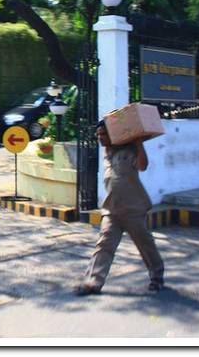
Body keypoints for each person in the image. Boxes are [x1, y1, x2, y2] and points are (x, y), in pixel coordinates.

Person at [76, 119, 164, 296]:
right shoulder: (107, 154)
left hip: (133, 209)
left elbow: (142, 165)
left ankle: (156, 276)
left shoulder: (129, 151)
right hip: (112, 211)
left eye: (103, 134)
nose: (100, 138)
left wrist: (138, 142)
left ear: (113, 134)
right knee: (104, 245)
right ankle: (93, 281)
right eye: (98, 135)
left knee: (145, 244)